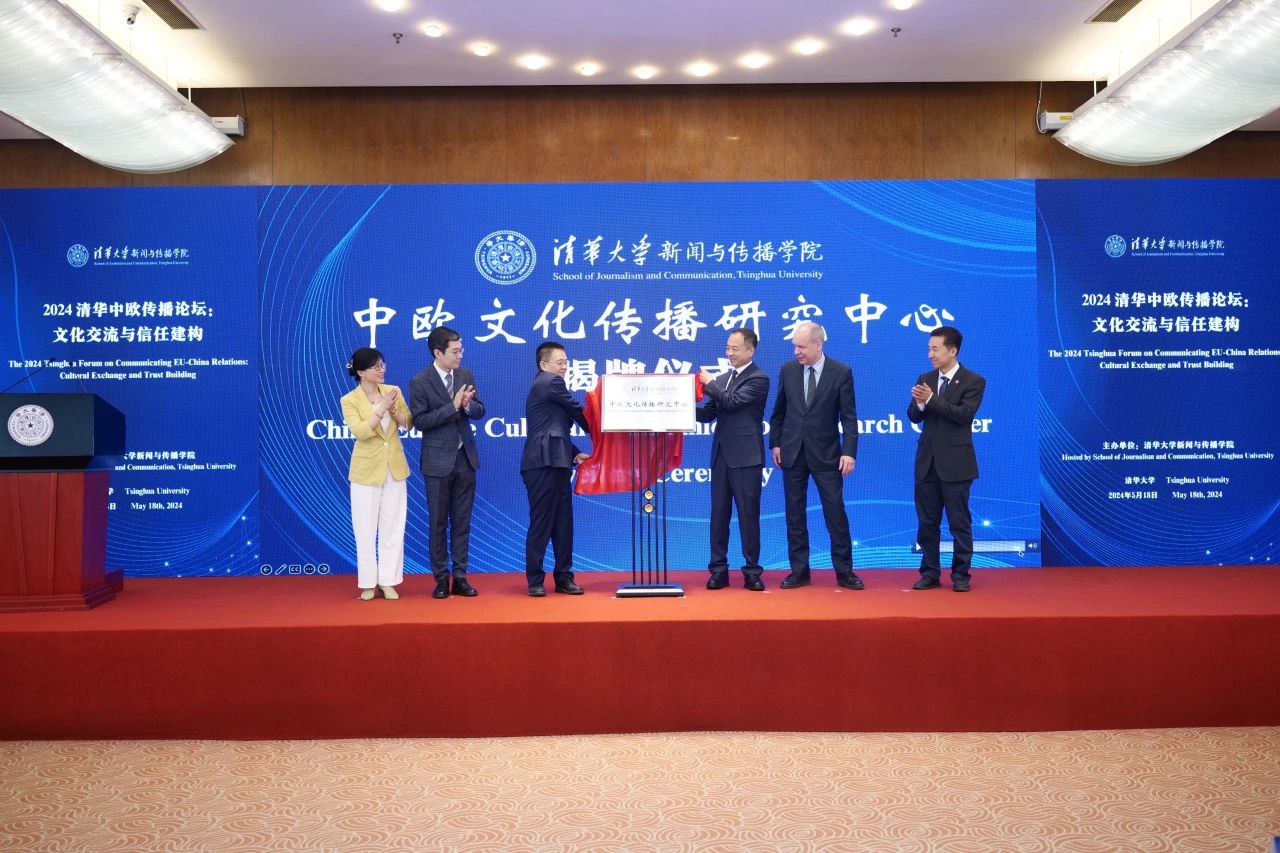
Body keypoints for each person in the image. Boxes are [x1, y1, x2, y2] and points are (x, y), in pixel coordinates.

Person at [768, 321, 864, 590]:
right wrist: (776, 444)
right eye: (794, 346)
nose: (796, 351)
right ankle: (799, 571)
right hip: (792, 453)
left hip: (827, 455)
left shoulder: (841, 372)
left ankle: (844, 572)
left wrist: (849, 452)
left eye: (801, 346)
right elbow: (779, 412)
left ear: (818, 344)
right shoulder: (788, 371)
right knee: (794, 514)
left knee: (835, 513)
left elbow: (849, 417)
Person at [908, 326, 986, 592]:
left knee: (959, 523)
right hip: (927, 463)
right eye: (929, 348)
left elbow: (963, 415)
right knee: (927, 523)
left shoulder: (973, 381)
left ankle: (961, 575)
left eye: (935, 349)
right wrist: (920, 403)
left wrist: (931, 399)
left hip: (956, 465)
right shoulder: (926, 378)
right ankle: (929, 573)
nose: (930, 354)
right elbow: (914, 415)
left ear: (953, 351)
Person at [409, 327, 484, 599]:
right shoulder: (420, 381)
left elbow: (480, 410)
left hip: (465, 459)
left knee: (462, 522)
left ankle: (460, 577)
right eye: (455, 351)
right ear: (438, 353)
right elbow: (420, 421)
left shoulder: (464, 375)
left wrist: (467, 405)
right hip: (437, 462)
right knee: (438, 522)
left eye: (461, 350)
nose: (460, 355)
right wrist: (452, 406)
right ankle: (441, 578)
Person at [696, 328, 770, 591]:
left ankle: (752, 571)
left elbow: (733, 401)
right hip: (721, 457)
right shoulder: (723, 378)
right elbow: (709, 414)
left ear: (751, 350)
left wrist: (709, 384)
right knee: (718, 515)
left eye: (734, 349)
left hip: (746, 457)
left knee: (748, 515)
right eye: (727, 348)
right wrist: (676, 407)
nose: (729, 353)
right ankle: (718, 570)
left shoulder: (759, 378)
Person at [340, 347, 411, 601]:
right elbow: (360, 432)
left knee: (393, 527)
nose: (382, 370)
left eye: (382, 365)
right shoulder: (349, 400)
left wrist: (395, 412)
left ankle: (388, 580)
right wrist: (381, 409)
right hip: (365, 471)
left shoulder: (393, 391)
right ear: (361, 372)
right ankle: (368, 583)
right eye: (376, 367)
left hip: (394, 467)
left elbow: (408, 422)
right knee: (365, 529)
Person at [520, 341, 590, 597]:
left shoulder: (547, 386)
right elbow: (578, 411)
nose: (564, 367)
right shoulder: (550, 382)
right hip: (542, 463)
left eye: (566, 362)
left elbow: (553, 428)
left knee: (563, 523)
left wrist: (573, 454)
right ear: (543, 364)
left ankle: (563, 577)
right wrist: (603, 432)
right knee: (542, 522)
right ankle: (535, 580)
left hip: (557, 462)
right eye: (559, 362)